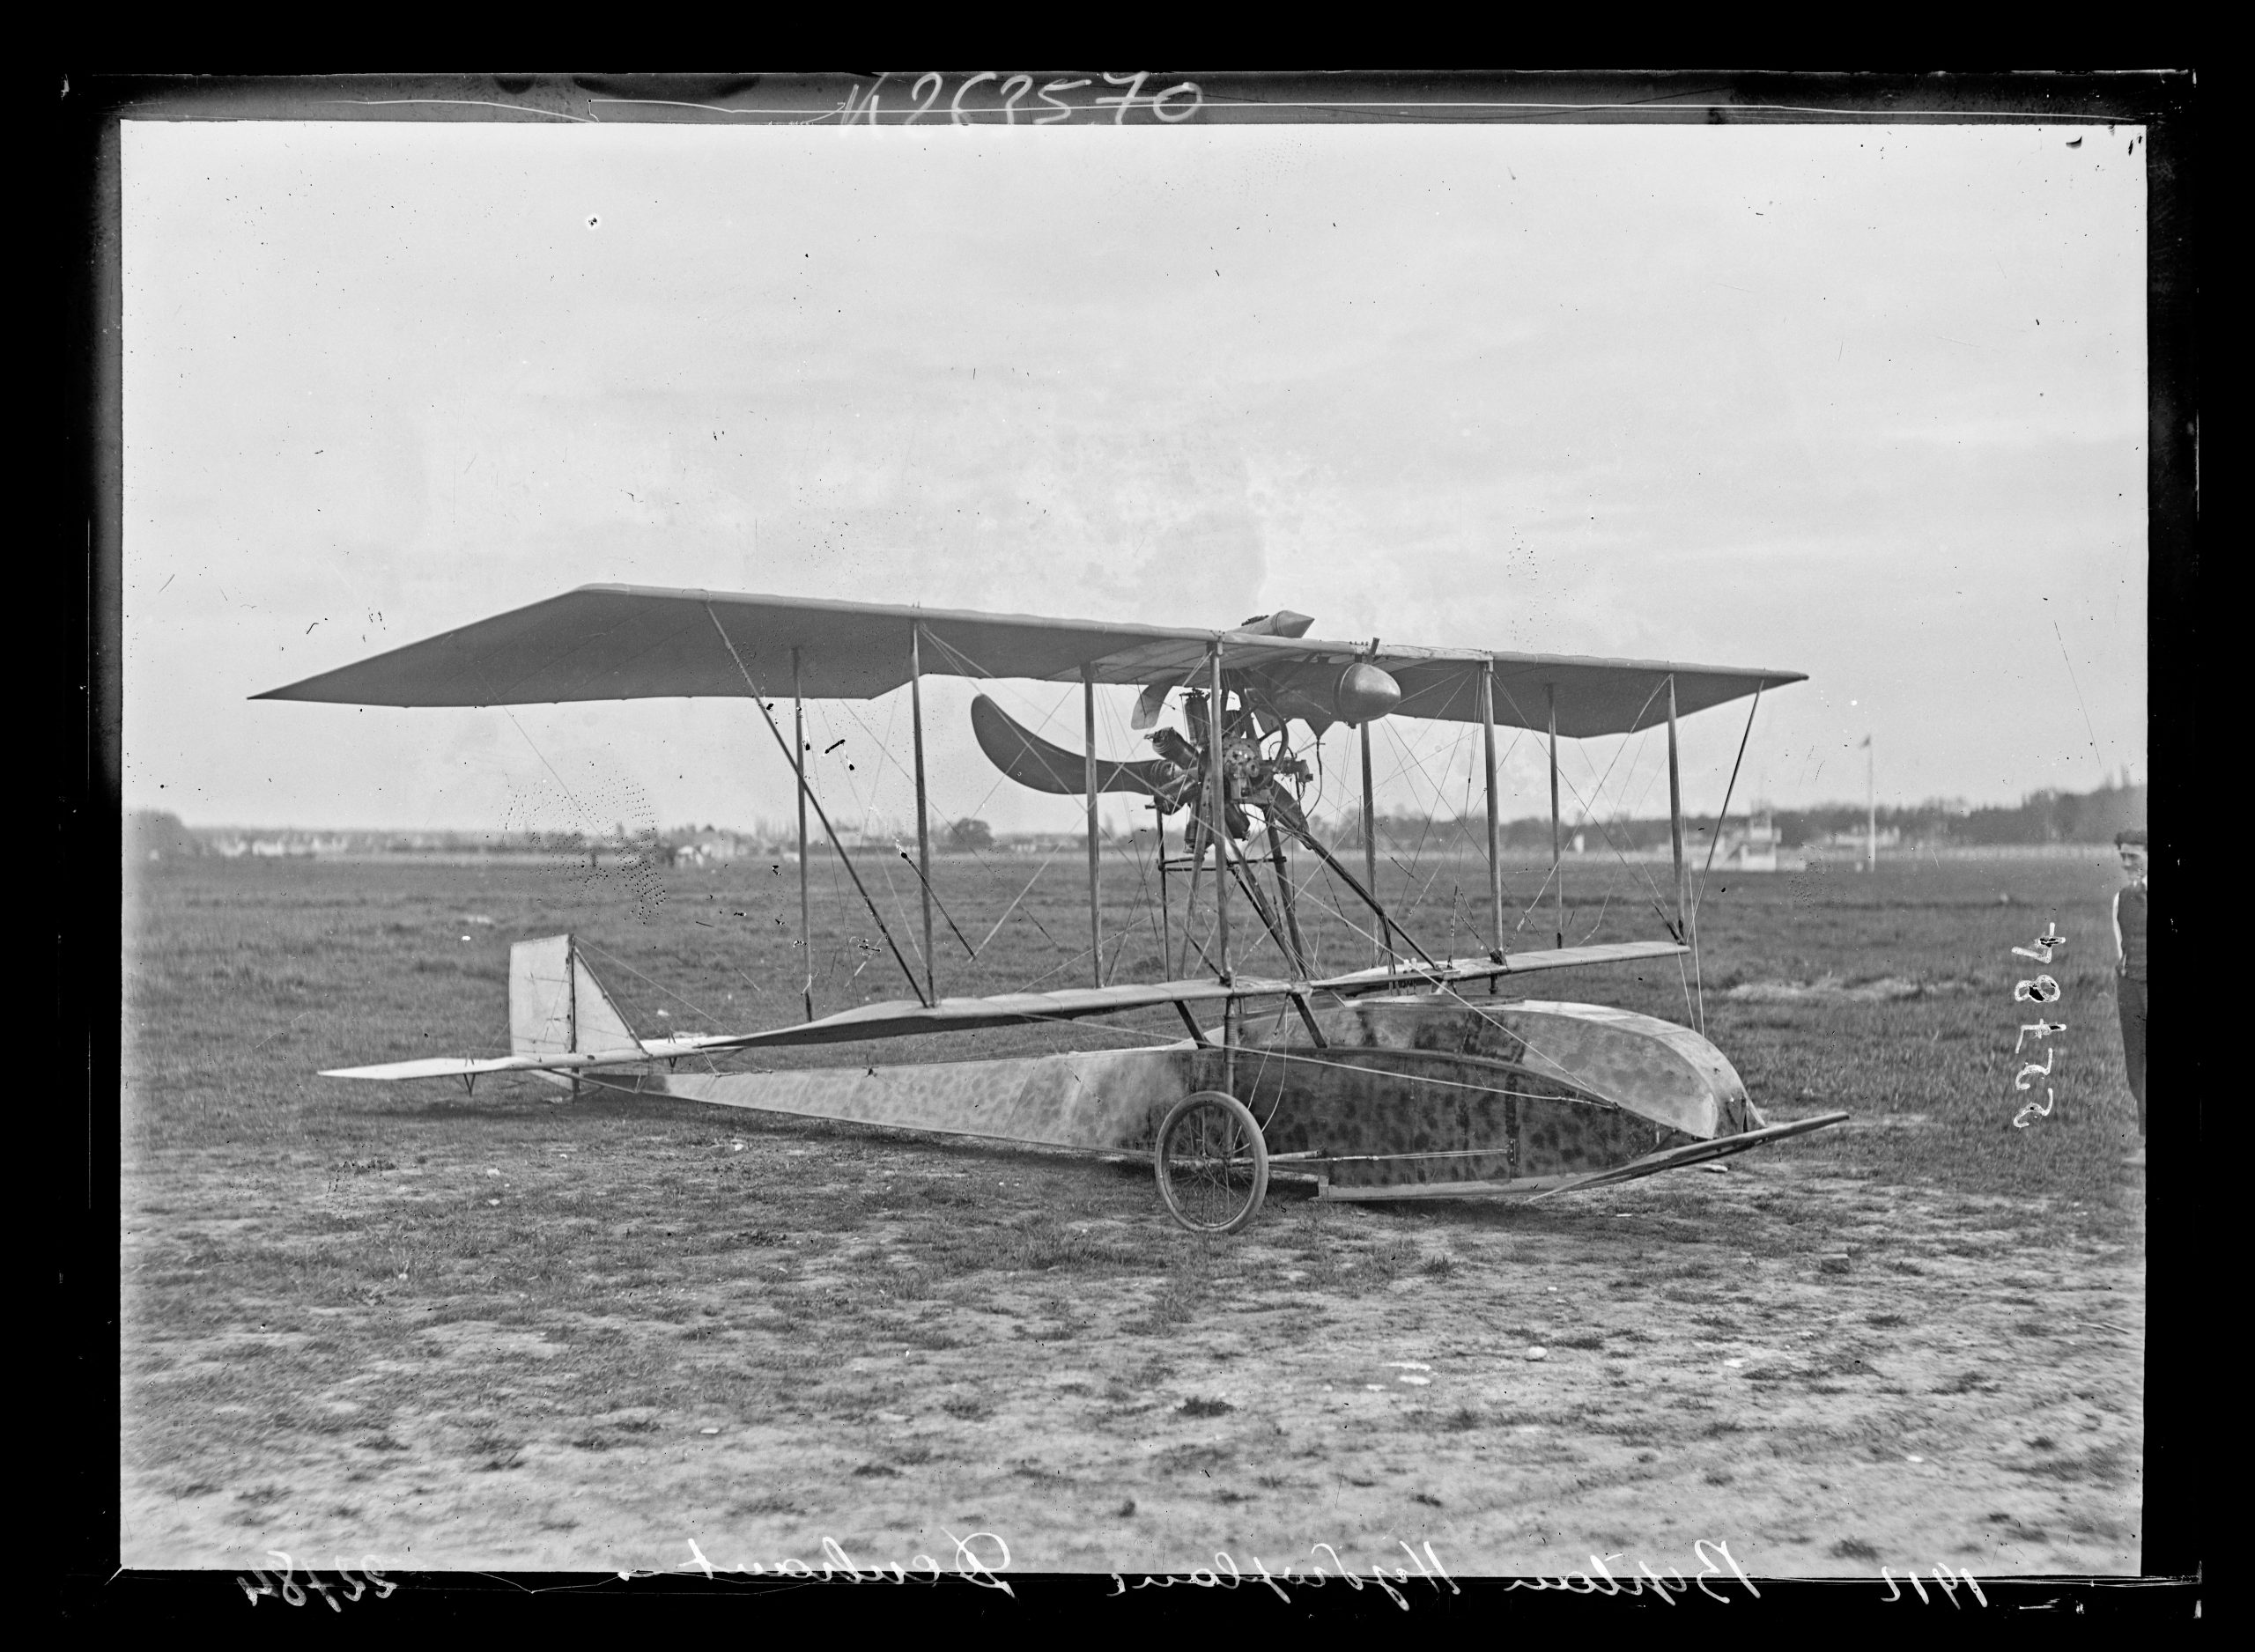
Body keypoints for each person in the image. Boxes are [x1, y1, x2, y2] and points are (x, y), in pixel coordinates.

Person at [2112, 828, 2148, 1136]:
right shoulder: (2121, 899)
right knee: (2136, 1064)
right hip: (2131, 987)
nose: (2125, 863)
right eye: (2122, 856)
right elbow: (2120, 948)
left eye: (2133, 856)